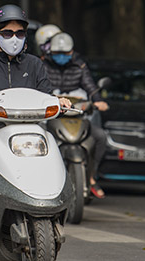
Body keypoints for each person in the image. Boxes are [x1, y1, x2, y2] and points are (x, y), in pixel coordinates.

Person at [0, 5, 71, 236]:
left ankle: (51, 208)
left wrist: (59, 101)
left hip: (29, 134)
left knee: (52, 151)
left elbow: (46, 95)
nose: (14, 38)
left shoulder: (35, 64)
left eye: (19, 33)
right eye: (7, 33)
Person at [42, 31, 110, 198]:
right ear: (51, 52)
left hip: (76, 115)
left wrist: (98, 101)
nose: (62, 57)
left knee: (100, 137)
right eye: (58, 53)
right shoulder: (43, 65)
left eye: (66, 53)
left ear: (72, 52)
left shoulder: (80, 66)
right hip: (51, 116)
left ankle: (92, 176)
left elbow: (91, 87)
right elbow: (39, 86)